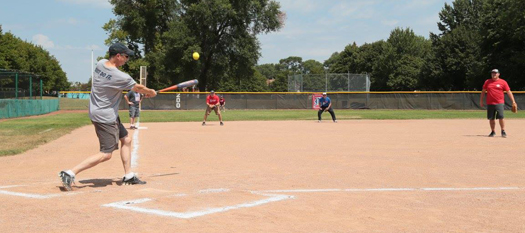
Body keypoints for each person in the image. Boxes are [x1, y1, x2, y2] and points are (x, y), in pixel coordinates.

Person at [58, 43, 157, 191]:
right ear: (118, 56)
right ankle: (70, 173)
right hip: (105, 116)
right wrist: (151, 91)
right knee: (106, 154)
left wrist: (145, 90)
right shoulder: (120, 76)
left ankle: (128, 176)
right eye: (126, 56)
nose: (127, 59)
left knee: (126, 139)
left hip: (100, 111)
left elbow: (133, 87)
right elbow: (138, 88)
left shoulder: (100, 63)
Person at [480, 69, 516, 138]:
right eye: (492, 73)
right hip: (490, 103)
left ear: (498, 74)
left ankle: (503, 131)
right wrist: (481, 101)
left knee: (501, 117)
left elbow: (509, 92)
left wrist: (513, 101)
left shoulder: (503, 82)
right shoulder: (487, 82)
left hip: (499, 103)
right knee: (491, 118)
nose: (494, 74)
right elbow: (483, 92)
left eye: (495, 73)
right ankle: (493, 131)